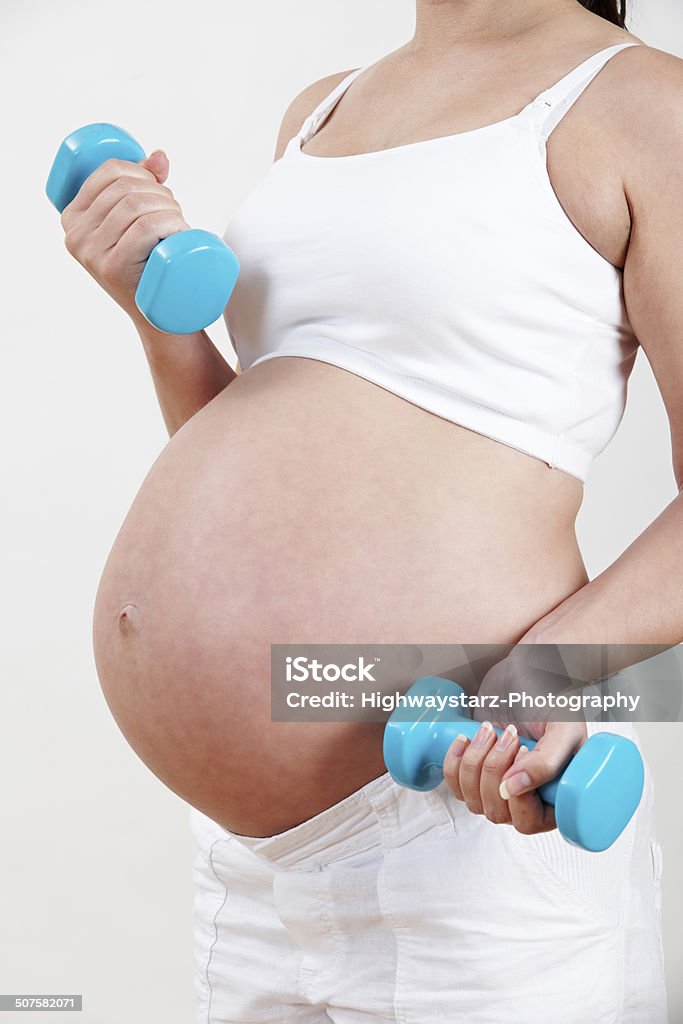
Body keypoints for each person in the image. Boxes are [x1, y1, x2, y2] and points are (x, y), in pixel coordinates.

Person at [58, 0, 679, 1019]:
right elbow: (267, 460)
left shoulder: (640, 103)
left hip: (459, 827)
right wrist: (152, 311)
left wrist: (553, 664)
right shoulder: (322, 110)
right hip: (255, 869)